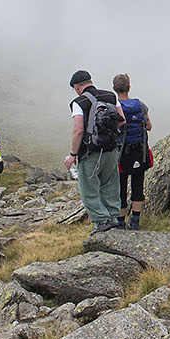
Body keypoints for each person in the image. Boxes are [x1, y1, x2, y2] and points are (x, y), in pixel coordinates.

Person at [66, 71, 123, 232]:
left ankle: (101, 221)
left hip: (90, 152)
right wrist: (108, 134)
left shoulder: (78, 102)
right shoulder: (111, 96)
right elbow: (122, 119)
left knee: (89, 189)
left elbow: (78, 130)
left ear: (77, 86)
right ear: (90, 81)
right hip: (111, 150)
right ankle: (113, 219)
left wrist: (73, 154)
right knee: (111, 186)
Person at [114, 74, 152, 229]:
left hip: (121, 154)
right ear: (129, 87)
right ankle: (135, 221)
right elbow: (149, 126)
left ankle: (121, 222)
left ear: (114, 89)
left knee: (120, 188)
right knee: (138, 186)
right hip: (139, 151)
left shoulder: (114, 106)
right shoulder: (140, 105)